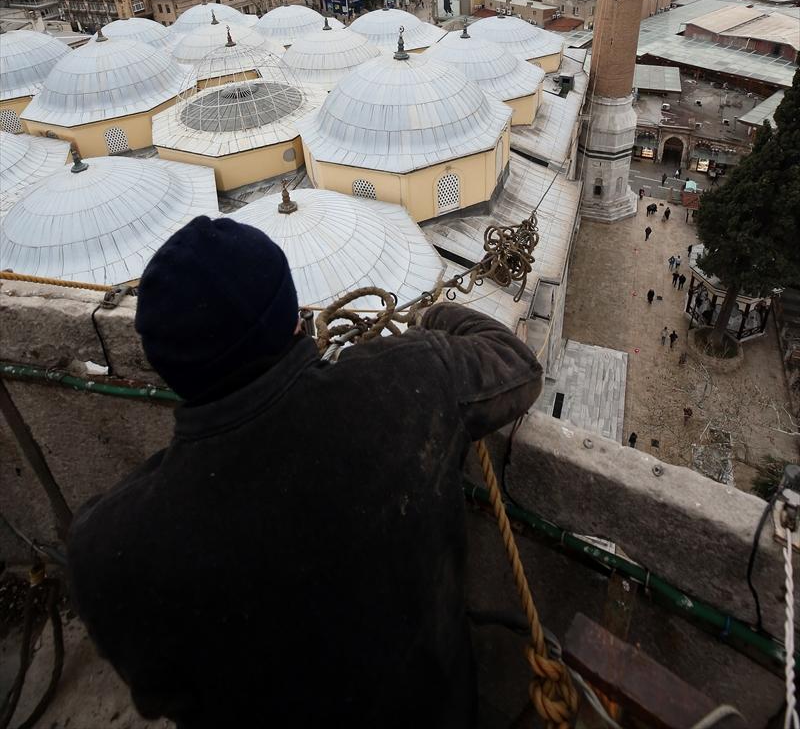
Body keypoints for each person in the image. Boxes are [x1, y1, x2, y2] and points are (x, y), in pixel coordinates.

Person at [67, 217, 543, 729]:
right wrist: (435, 317)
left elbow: (159, 693)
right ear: (293, 318)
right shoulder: (411, 379)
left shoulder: (107, 554)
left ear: (165, 365)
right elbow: (516, 364)